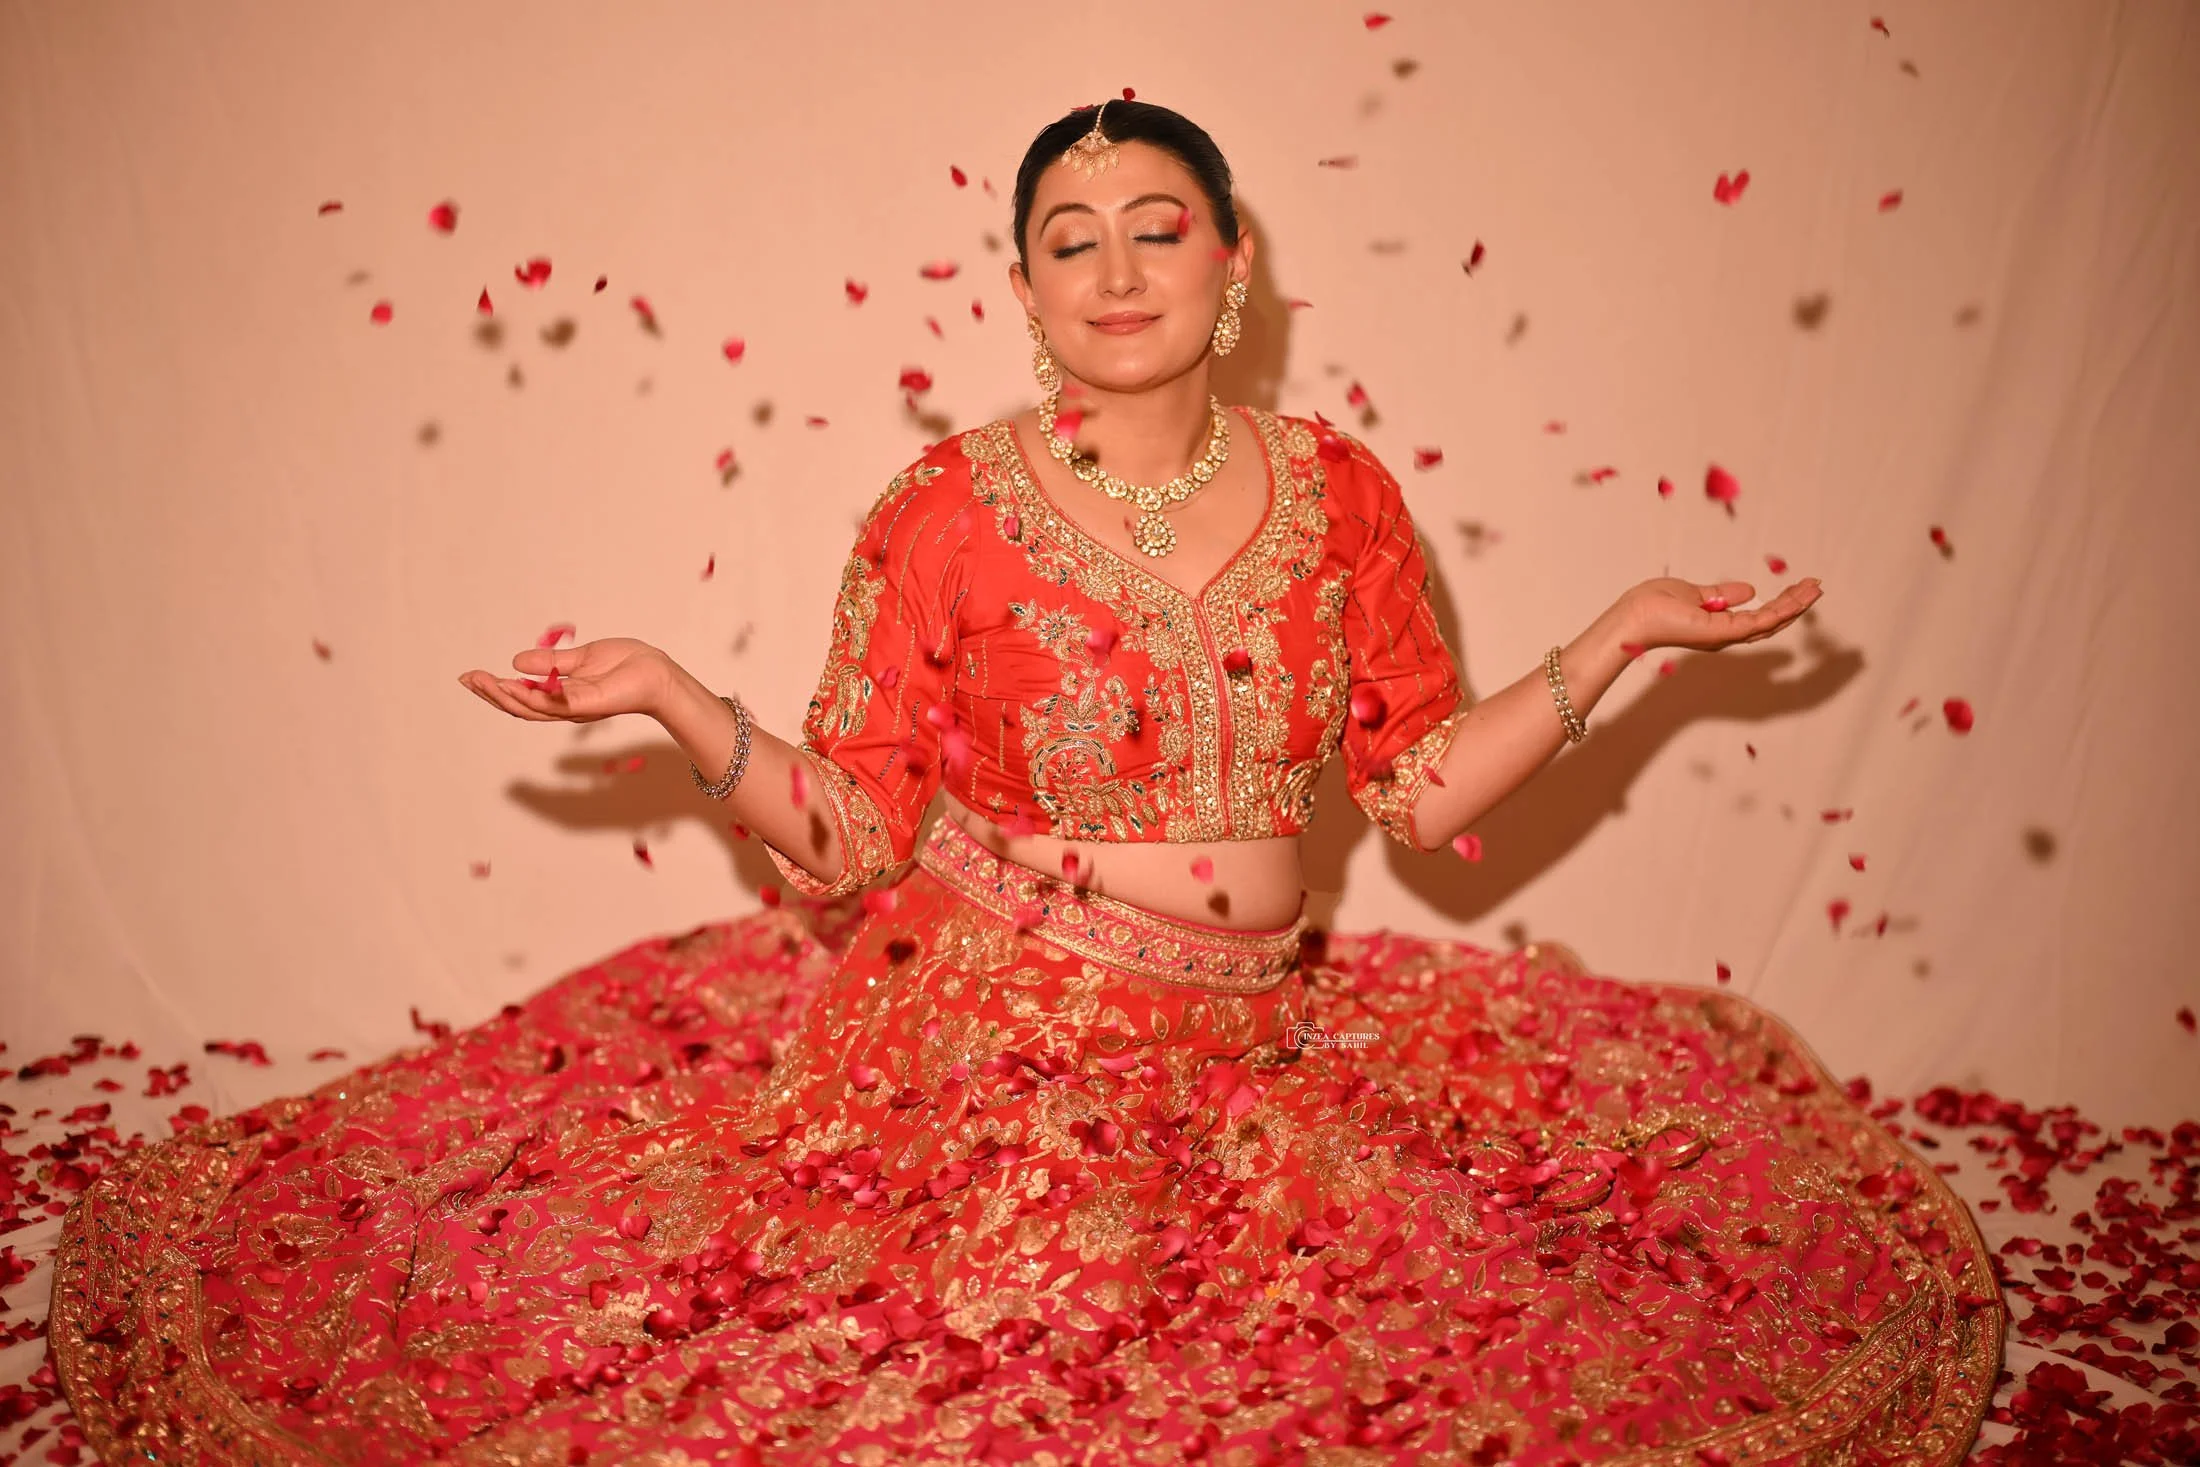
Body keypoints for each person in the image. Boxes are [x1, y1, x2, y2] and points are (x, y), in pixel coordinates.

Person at [49, 101, 1998, 1465]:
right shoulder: (944, 515)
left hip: (1262, 1052)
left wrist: (1621, 641)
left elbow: (1414, 796)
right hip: (989, 1044)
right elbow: (855, 832)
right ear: (1024, 287)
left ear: (1230, 263)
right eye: (1067, 239)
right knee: (1001, 1376)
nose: (1113, 265)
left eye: (1156, 226)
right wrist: (664, 693)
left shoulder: (1338, 497)